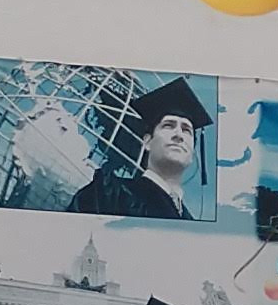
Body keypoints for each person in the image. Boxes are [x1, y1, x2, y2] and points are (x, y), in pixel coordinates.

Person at [70, 78, 211, 219]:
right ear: (147, 142)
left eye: (186, 130)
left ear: (192, 153)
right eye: (168, 125)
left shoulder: (191, 221)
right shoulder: (107, 192)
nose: (179, 135)